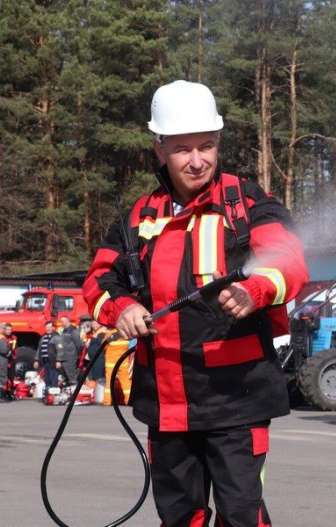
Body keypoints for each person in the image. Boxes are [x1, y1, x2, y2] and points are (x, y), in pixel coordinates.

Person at [82, 80, 308, 527]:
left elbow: (290, 261)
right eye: (183, 149)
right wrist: (121, 308)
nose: (198, 160)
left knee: (241, 514)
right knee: (179, 516)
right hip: (164, 404)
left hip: (237, 403)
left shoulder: (246, 204)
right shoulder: (138, 217)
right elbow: (97, 279)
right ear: (159, 149)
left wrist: (256, 289)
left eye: (207, 146)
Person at [52, 316, 82, 387]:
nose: (62, 323)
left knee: (72, 377)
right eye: (61, 322)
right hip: (65, 357)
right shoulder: (64, 330)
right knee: (66, 377)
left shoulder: (73, 330)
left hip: (71, 357)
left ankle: (74, 393)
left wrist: (75, 354)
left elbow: (78, 344)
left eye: (63, 321)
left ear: (67, 320)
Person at [34, 321, 58, 394]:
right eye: (47, 327)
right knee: (46, 378)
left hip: (53, 360)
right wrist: (36, 360)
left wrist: (58, 360)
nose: (48, 329)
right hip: (45, 360)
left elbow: (60, 350)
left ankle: (53, 394)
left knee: (53, 377)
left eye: (49, 327)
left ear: (53, 328)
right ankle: (48, 395)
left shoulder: (56, 336)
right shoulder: (43, 337)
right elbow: (39, 349)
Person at [3, 322, 18, 400]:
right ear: (4, 330)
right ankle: (4, 393)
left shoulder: (14, 338)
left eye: (10, 329)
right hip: (4, 360)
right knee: (4, 378)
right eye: (7, 329)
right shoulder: (2, 337)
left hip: (12, 359)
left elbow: (13, 348)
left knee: (11, 377)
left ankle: (11, 393)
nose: (9, 331)